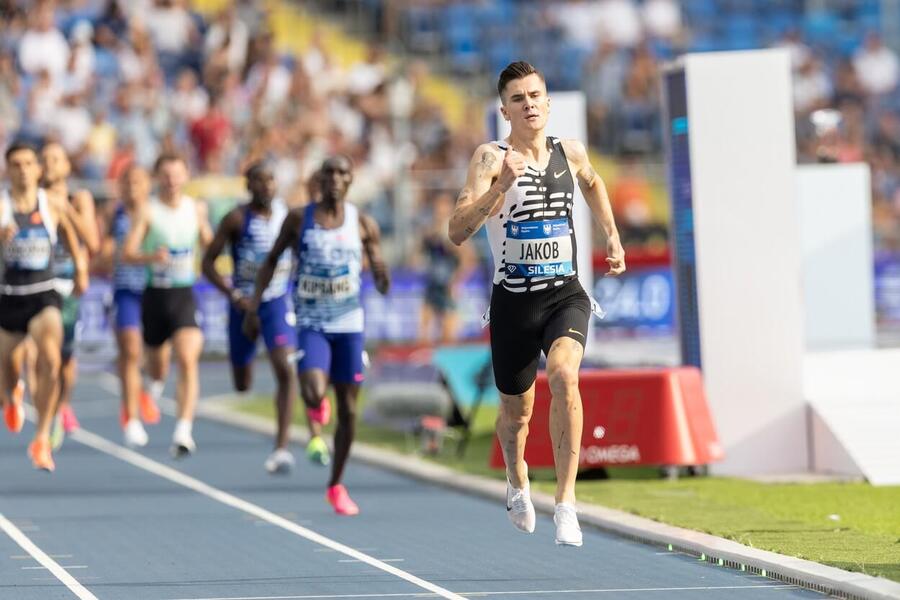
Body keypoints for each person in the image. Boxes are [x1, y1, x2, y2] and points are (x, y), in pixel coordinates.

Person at [448, 61, 626, 547]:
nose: (529, 104)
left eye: (536, 95)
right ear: (504, 110)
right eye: (519, 98)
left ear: (548, 103)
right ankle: (517, 478)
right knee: (516, 414)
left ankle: (566, 503)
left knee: (566, 375)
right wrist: (502, 187)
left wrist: (611, 235)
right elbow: (458, 230)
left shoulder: (570, 151)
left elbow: (591, 181)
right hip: (512, 303)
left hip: (564, 292)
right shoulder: (489, 158)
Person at [246, 155, 390, 515]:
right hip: (311, 322)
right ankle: (315, 404)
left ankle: (336, 484)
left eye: (343, 173)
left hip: (349, 325)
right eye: (330, 174)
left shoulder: (363, 223)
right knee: (311, 389)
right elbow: (270, 261)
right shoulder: (299, 219)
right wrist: (253, 304)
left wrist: (383, 276)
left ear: (351, 180)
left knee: (350, 409)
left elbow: (378, 266)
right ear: (320, 180)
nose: (336, 179)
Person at [201, 161, 328, 474]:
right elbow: (207, 263)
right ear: (249, 186)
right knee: (242, 383)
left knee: (286, 370)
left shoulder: (290, 216)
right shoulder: (235, 219)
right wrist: (232, 294)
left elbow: (303, 251)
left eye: (271, 179)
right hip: (243, 306)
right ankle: (245, 366)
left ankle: (281, 448)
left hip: (275, 303)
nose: (267, 186)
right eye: (259, 180)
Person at [0, 141, 86, 471]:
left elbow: (75, 238)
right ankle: (12, 393)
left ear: (38, 170)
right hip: (10, 296)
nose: (22, 170)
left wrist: (79, 266)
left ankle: (41, 438)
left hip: (43, 293)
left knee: (51, 359)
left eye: (28, 164)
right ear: (8, 170)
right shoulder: (3, 206)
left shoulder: (51, 203)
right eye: (16, 165)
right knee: (7, 369)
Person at [122, 152, 213, 457]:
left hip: (184, 293)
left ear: (186, 176)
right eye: (166, 175)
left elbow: (209, 243)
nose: (172, 181)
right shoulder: (147, 211)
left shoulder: (195, 208)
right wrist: (152, 257)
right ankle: (152, 387)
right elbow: (129, 252)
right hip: (156, 295)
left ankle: (184, 430)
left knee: (188, 358)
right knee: (157, 366)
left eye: (177, 175)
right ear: (158, 178)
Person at [40, 141, 99, 449]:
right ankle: (43, 411)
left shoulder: (80, 197)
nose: (49, 164)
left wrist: (65, 210)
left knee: (64, 359)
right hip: (37, 282)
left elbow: (92, 240)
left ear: (66, 166)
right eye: (44, 159)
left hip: (68, 285)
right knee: (38, 350)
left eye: (55, 159)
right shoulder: (31, 198)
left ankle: (61, 406)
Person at [98, 165, 161, 448]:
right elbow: (107, 248)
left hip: (158, 289)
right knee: (130, 349)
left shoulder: (158, 212)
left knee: (159, 358)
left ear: (148, 184)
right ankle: (132, 417)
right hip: (125, 289)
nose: (133, 187)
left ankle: (150, 387)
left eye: (138, 181)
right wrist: (103, 255)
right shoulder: (117, 214)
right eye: (128, 182)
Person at [417, 192, 474, 345]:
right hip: (433, 283)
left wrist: (456, 281)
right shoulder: (431, 229)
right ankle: (425, 364)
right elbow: (419, 251)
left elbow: (468, 259)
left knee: (448, 335)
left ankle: (449, 365)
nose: (440, 209)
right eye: (438, 205)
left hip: (447, 285)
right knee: (424, 330)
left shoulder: (455, 230)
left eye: (444, 206)